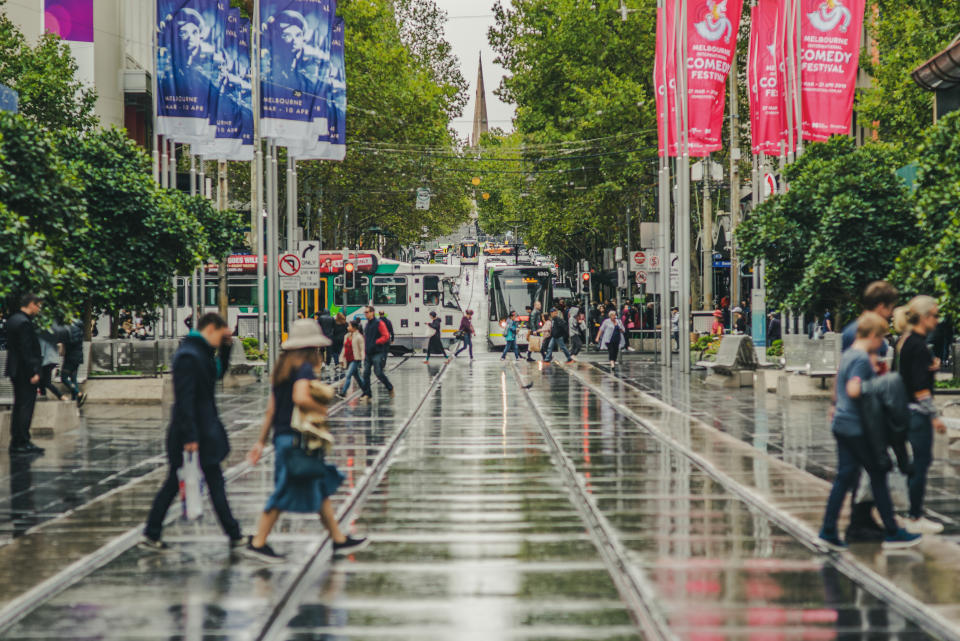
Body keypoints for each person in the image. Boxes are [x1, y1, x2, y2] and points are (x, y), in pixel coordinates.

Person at [245, 319, 367, 562]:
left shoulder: (281, 369)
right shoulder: (303, 369)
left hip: (283, 437)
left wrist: (260, 442)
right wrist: (320, 410)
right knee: (283, 491)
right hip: (295, 439)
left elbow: (271, 409)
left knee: (318, 487)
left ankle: (338, 539)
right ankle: (258, 543)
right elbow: (300, 397)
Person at [140, 313, 245, 552]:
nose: (221, 340)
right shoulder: (189, 356)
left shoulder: (200, 352)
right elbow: (184, 399)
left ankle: (233, 533)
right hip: (190, 433)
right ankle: (233, 533)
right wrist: (189, 437)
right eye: (221, 335)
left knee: (204, 482)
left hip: (201, 430)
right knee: (181, 483)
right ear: (210, 328)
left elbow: (217, 374)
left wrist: (227, 348)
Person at [818, 312, 920, 551]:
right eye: (881, 338)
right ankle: (893, 532)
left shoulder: (849, 355)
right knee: (877, 473)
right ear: (873, 336)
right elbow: (854, 389)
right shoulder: (861, 359)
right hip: (856, 427)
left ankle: (828, 530)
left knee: (845, 477)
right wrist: (881, 384)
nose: (882, 343)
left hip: (842, 424)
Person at [837, 281, 899, 543]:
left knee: (858, 471)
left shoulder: (861, 329)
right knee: (868, 469)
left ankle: (859, 521)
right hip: (861, 412)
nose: (892, 313)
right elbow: (851, 376)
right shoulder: (860, 332)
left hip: (861, 410)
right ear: (882, 306)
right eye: (891, 307)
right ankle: (862, 523)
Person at [896, 296, 946, 535]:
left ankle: (914, 513)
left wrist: (930, 366)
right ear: (925, 317)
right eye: (935, 315)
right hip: (917, 414)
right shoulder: (917, 345)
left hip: (906, 411)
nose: (937, 320)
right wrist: (935, 416)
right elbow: (919, 387)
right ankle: (915, 515)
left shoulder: (907, 341)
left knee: (917, 463)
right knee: (921, 463)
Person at [5, 294, 44, 455]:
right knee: (25, 406)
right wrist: (33, 372)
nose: (39, 309)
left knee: (19, 405)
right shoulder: (24, 323)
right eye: (38, 306)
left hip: (15, 370)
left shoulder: (13, 320)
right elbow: (26, 351)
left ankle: (17, 440)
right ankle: (22, 442)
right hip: (24, 371)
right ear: (31, 304)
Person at [360, 306, 394, 399]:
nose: (365, 314)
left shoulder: (379, 323)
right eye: (365, 312)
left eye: (367, 312)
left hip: (377, 352)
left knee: (378, 372)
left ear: (372, 312)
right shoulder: (367, 324)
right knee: (366, 373)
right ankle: (367, 393)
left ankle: (389, 387)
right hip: (368, 352)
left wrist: (376, 342)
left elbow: (386, 336)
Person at [60, 319, 86, 407]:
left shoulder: (72, 330)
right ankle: (75, 400)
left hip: (71, 357)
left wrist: (64, 341)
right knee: (73, 378)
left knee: (63, 377)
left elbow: (71, 342)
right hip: (77, 357)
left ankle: (78, 393)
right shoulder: (79, 331)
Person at [338, 319, 365, 397]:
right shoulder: (346, 336)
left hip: (355, 359)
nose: (347, 327)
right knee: (358, 377)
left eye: (349, 326)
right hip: (348, 359)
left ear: (354, 327)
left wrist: (363, 358)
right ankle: (366, 391)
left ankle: (343, 392)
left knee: (348, 374)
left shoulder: (359, 337)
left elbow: (362, 349)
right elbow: (344, 348)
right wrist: (341, 358)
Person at [37, 328, 65, 400]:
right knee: (42, 381)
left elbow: (41, 352)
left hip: (47, 361)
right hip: (52, 360)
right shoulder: (48, 333)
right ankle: (43, 397)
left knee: (46, 382)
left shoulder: (40, 335)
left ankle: (61, 396)